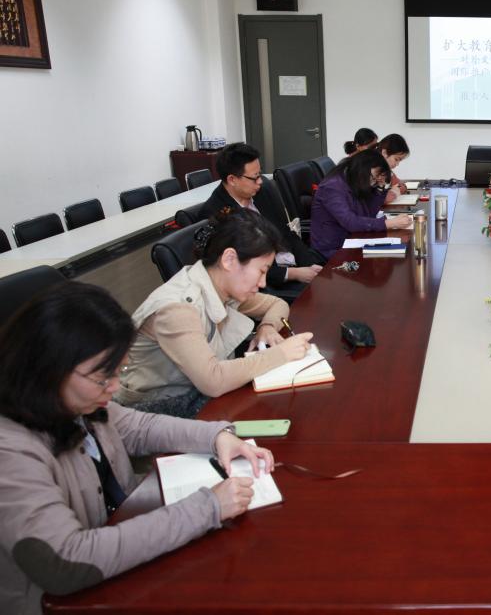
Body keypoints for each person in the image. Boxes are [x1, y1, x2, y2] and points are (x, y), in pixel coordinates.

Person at [0, 282, 273, 615]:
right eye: (104, 378)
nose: (114, 388)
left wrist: (217, 437)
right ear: (49, 369)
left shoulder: (73, 401)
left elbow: (139, 427)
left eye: (119, 372)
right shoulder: (10, 452)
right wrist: (208, 507)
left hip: (123, 557)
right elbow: (66, 560)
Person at [116, 211, 314, 417]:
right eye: (262, 271)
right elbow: (213, 381)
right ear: (229, 259)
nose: (263, 283)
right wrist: (281, 354)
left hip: (197, 393)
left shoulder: (221, 284)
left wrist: (268, 327)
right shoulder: (178, 309)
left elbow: (277, 304)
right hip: (156, 410)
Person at [202, 142, 324, 288]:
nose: (260, 181)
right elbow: (241, 266)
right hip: (263, 283)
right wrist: (293, 273)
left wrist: (310, 265)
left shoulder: (262, 192)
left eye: (259, 174)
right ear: (232, 180)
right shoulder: (216, 213)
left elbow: (286, 233)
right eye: (254, 177)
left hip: (292, 262)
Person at [310, 149, 413, 259]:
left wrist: (380, 188)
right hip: (333, 249)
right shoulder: (333, 187)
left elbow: (369, 213)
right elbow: (350, 222)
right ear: (363, 168)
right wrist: (388, 223)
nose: (372, 183)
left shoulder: (354, 180)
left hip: (352, 240)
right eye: (373, 178)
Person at [373, 133, 411, 203]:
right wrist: (392, 194)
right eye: (396, 159)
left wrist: (397, 190)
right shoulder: (370, 169)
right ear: (384, 153)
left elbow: (401, 185)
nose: (397, 164)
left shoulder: (386, 170)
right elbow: (371, 199)